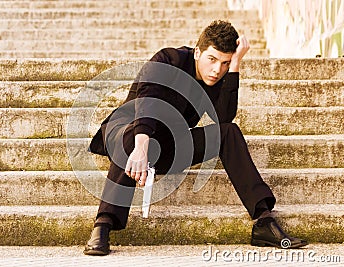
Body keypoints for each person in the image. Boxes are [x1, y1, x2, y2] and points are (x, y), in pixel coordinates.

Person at [84, 20, 307, 256]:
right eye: (212, 59)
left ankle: (263, 221)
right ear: (198, 51)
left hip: (167, 148)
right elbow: (147, 103)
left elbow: (223, 118)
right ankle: (103, 224)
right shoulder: (168, 60)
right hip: (127, 134)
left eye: (225, 62)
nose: (217, 70)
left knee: (228, 133)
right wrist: (141, 146)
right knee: (132, 137)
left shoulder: (219, 78)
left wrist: (236, 66)